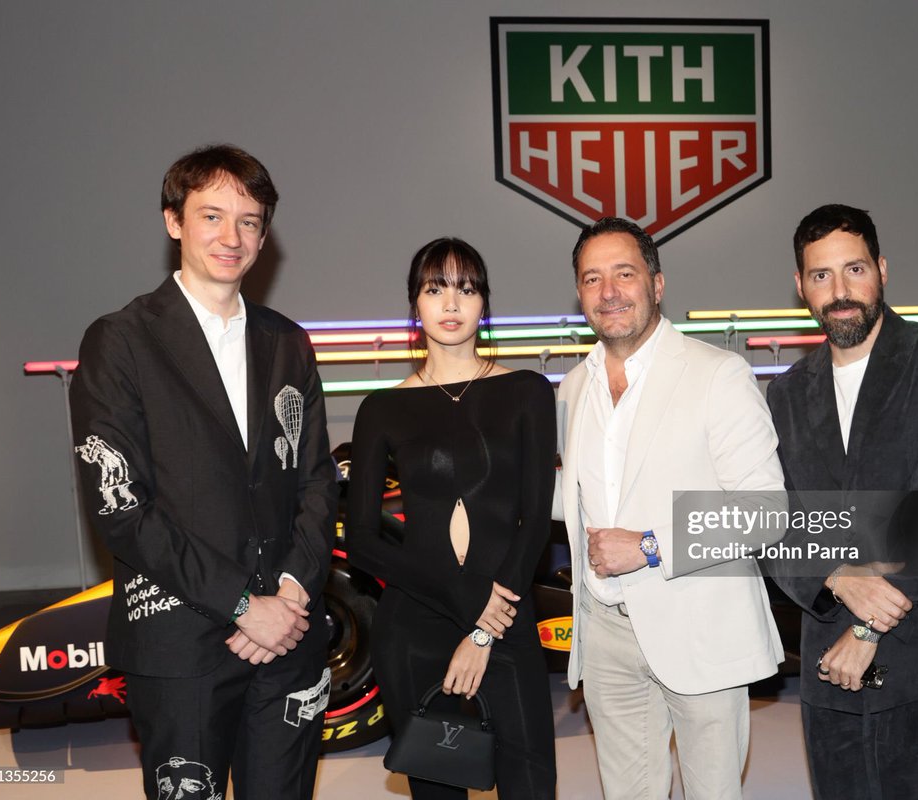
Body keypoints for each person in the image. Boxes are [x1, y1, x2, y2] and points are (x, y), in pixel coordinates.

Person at [68, 144, 338, 800]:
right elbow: (123, 510)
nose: (231, 236)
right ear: (174, 222)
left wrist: (291, 598)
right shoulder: (121, 341)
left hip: (289, 637)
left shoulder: (288, 342)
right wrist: (245, 606)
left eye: (249, 221)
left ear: (265, 236)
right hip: (180, 641)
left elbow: (317, 479)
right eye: (211, 216)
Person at [765, 204, 918, 799]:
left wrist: (869, 628)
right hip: (828, 662)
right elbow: (774, 518)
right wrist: (837, 580)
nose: (840, 292)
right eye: (821, 276)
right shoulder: (787, 394)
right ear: (800, 286)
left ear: (883, 269)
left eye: (854, 269)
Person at [557, 217, 786, 799]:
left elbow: (765, 510)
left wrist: (651, 545)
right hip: (606, 633)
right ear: (580, 293)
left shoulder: (719, 374)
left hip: (700, 626)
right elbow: (574, 500)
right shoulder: (572, 388)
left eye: (624, 273)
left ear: (657, 285)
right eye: (592, 278)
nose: (608, 291)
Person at [345, 238, 557, 799]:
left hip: (504, 614)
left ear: (484, 303)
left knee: (530, 778)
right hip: (415, 625)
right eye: (435, 288)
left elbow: (535, 519)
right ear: (415, 304)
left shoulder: (527, 392)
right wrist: (468, 609)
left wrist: (486, 629)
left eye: (466, 288)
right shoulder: (382, 408)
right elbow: (363, 539)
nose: (451, 302)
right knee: (439, 785)